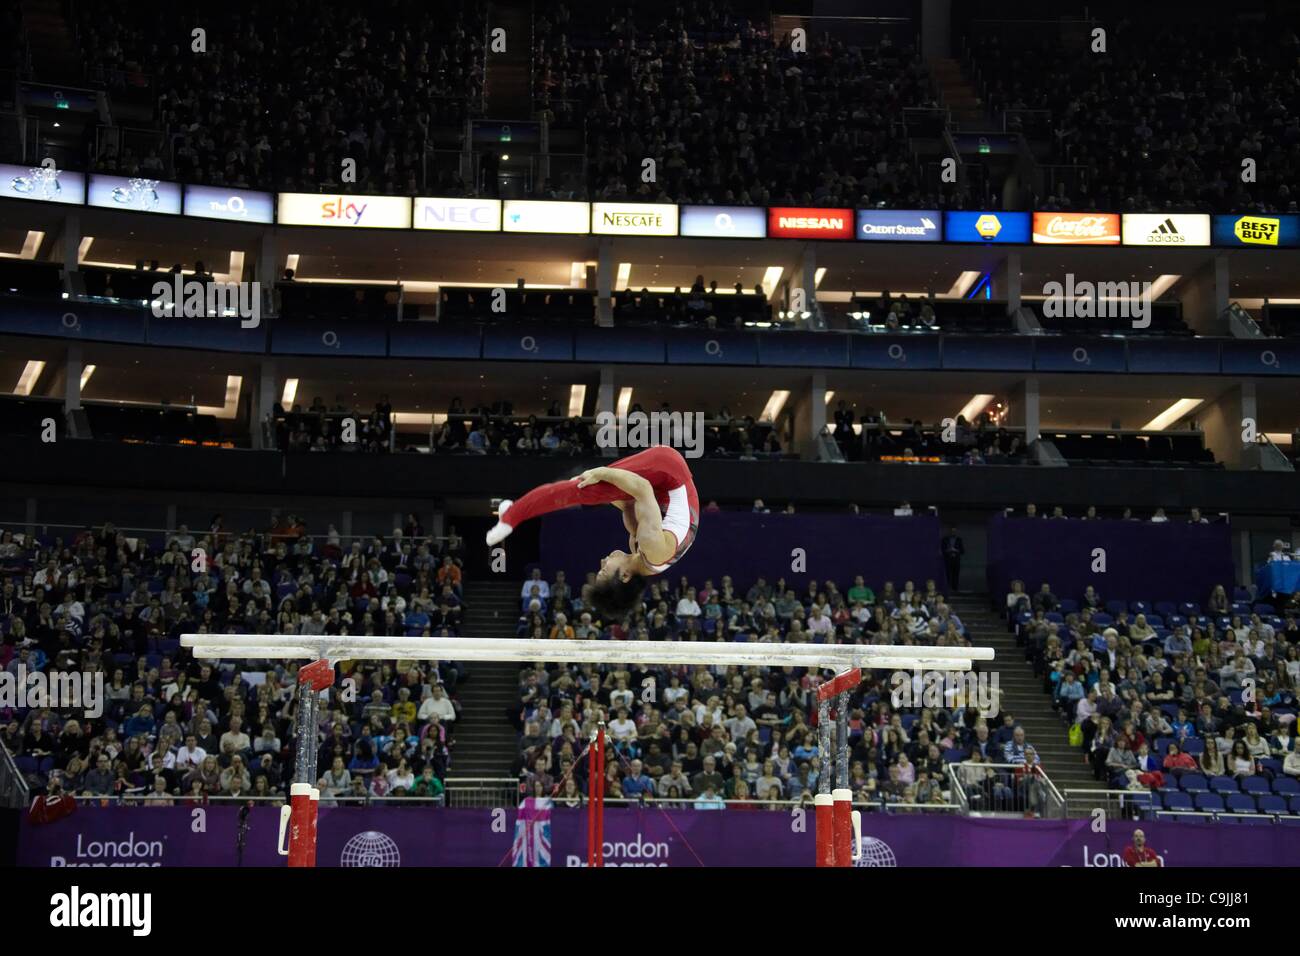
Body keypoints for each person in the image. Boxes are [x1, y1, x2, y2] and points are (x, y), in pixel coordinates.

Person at [485, 445, 699, 621]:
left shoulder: (642, 554)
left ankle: (516, 512)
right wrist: (600, 474)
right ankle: (512, 516)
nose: (603, 561)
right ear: (624, 576)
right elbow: (641, 488)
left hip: (665, 484)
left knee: (589, 490)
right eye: (604, 571)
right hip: (670, 470)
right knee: (586, 489)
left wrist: (596, 490)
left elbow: (627, 503)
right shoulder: (652, 547)